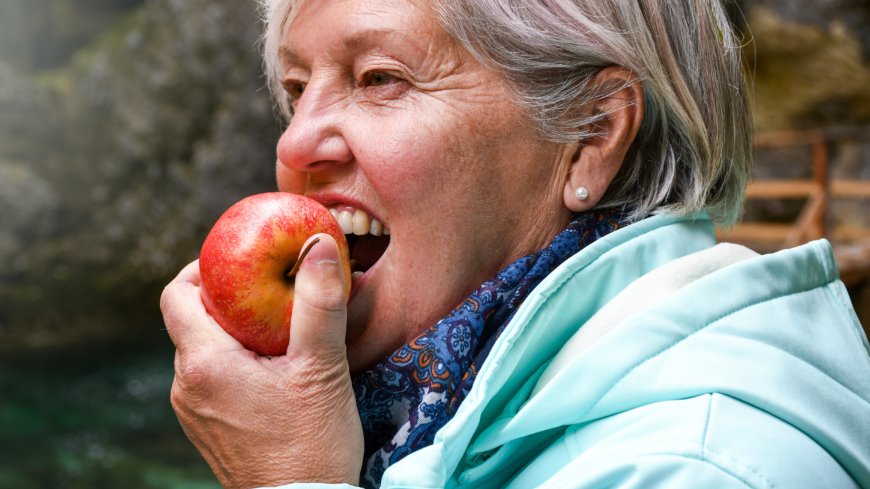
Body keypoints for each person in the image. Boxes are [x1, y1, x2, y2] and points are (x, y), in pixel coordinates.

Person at [159, 0, 870, 487]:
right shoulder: (441, 408)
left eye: (379, 79)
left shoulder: (699, 467)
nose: (294, 141)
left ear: (591, 136)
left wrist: (294, 478)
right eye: (295, 85)